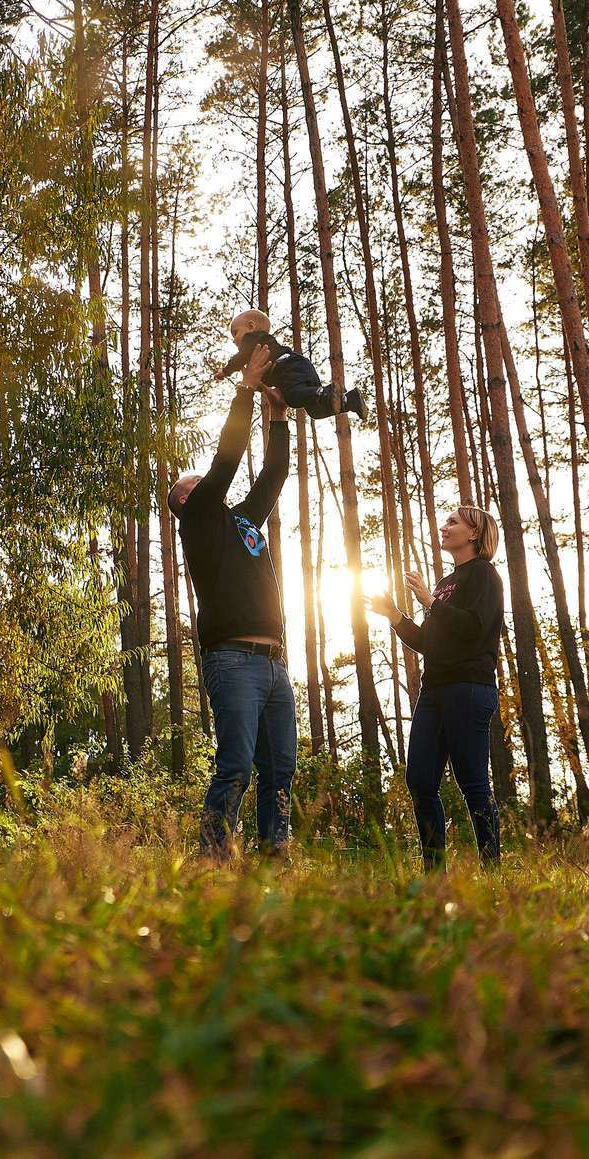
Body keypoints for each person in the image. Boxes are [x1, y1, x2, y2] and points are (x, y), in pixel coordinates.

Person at [168, 344, 299, 857]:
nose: (202, 480)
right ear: (184, 499)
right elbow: (227, 457)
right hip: (233, 660)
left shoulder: (241, 519)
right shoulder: (198, 519)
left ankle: (274, 853)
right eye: (193, 482)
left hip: (274, 664)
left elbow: (273, 476)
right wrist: (245, 389)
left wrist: (278, 418)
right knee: (238, 765)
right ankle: (213, 855)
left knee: (280, 768)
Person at [369, 507, 505, 869]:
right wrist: (395, 615)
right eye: (445, 521)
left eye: (453, 522)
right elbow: (428, 641)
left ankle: (493, 868)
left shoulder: (485, 576)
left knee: (473, 782)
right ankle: (434, 875)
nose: (444, 527)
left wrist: (430, 602)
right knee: (420, 780)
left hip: (469, 688)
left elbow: (473, 627)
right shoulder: (447, 581)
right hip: (433, 692)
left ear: (474, 534)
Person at [213, 308, 368, 422]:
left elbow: (239, 358)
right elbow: (262, 380)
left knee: (293, 397)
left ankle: (327, 392)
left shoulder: (252, 339)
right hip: (298, 367)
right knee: (315, 410)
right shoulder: (258, 350)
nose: (234, 339)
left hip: (289, 367)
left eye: (235, 332)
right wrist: (256, 386)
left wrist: (225, 372)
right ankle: (349, 400)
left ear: (251, 326)